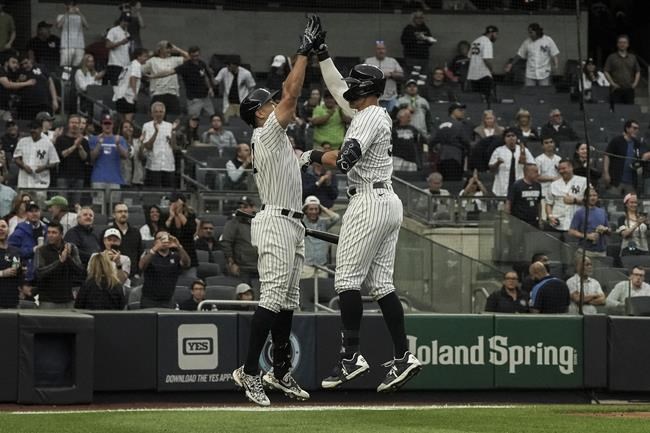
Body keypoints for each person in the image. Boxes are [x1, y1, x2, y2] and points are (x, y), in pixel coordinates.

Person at [299, 24, 422, 394]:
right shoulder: (372, 113)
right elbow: (339, 88)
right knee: (382, 285)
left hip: (368, 200)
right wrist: (322, 52)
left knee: (347, 282)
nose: (348, 88)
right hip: (389, 201)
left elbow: (346, 158)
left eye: (356, 84)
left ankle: (352, 357)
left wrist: (312, 154)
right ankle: (403, 356)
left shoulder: (368, 118)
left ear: (365, 90)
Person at [232, 17, 320, 407]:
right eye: (266, 103)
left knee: (287, 303)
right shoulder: (265, 132)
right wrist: (304, 52)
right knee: (271, 299)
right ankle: (249, 371)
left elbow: (313, 158)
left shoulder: (279, 142)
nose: (274, 105)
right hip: (274, 222)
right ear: (258, 112)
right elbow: (292, 94)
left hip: (292, 223)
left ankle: (280, 372)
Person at [34, 222, 83, 309]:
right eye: (48, 232)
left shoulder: (71, 248)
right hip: (48, 300)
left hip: (67, 299)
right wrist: (60, 262)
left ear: (61, 235)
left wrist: (68, 258)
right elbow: (39, 273)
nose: (50, 235)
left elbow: (80, 270)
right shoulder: (41, 250)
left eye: (54, 232)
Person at [139, 228, 190, 308]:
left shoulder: (175, 256)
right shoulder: (149, 254)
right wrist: (155, 249)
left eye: (166, 238)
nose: (164, 240)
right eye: (160, 238)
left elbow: (186, 264)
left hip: (168, 300)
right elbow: (142, 266)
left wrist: (179, 246)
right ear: (155, 241)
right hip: (149, 300)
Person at [142, 41, 189, 115]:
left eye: (169, 48)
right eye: (166, 48)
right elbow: (141, 69)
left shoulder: (174, 59)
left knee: (174, 117)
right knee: (157, 116)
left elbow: (189, 58)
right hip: (158, 93)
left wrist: (176, 49)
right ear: (160, 49)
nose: (169, 50)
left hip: (172, 92)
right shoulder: (152, 61)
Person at [603, 120, 650, 195]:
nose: (636, 131)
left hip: (631, 181)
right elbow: (607, 156)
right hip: (616, 180)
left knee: (631, 203)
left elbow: (641, 159)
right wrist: (606, 173)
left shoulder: (637, 143)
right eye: (634, 128)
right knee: (613, 202)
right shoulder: (617, 140)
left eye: (637, 129)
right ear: (627, 128)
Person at [88, 113, 130, 193]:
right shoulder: (94, 139)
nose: (107, 126)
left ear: (113, 125)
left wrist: (118, 145)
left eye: (109, 123)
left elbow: (125, 156)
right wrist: (99, 144)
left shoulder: (120, 139)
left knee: (114, 205)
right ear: (101, 125)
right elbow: (91, 158)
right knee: (98, 205)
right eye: (105, 123)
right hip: (98, 178)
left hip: (115, 179)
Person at [141, 102, 179, 188]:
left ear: (164, 113)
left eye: (161, 112)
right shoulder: (147, 126)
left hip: (168, 165)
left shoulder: (169, 126)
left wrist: (173, 132)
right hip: (153, 166)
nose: (158, 114)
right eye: (156, 112)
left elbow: (173, 147)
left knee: (168, 195)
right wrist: (156, 131)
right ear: (152, 113)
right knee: (154, 195)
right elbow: (147, 146)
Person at [301, 196, 340, 279]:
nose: (314, 212)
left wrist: (322, 207)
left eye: (316, 209)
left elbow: (336, 217)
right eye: (310, 209)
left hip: (322, 267)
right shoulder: (302, 223)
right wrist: (304, 206)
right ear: (306, 210)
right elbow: (296, 216)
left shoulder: (324, 222)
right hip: (307, 266)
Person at [13, 120, 59, 190]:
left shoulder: (48, 143)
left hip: (41, 182)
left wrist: (44, 167)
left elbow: (55, 162)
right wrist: (24, 166)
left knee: (40, 200)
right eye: (31, 128)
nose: (32, 130)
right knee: (24, 200)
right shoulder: (22, 141)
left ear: (41, 129)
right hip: (24, 181)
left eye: (35, 128)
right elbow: (16, 158)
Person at [488, 127, 534, 197]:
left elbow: (533, 167)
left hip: (520, 186)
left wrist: (525, 163)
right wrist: (497, 163)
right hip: (502, 187)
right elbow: (491, 168)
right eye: (508, 136)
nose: (511, 138)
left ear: (516, 138)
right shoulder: (498, 151)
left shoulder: (524, 150)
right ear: (504, 139)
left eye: (513, 136)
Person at [545, 159, 587, 234]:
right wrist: (550, 216)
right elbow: (549, 203)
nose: (561, 171)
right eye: (559, 169)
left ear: (571, 167)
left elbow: (591, 200)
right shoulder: (554, 184)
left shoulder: (583, 181)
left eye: (564, 168)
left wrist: (575, 200)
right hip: (558, 224)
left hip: (576, 224)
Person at [54, 114, 88, 204]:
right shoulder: (61, 139)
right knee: (62, 204)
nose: (74, 125)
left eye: (77, 123)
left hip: (78, 177)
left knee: (76, 205)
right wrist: (74, 146)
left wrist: (80, 147)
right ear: (68, 124)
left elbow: (85, 158)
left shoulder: (84, 141)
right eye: (72, 122)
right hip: (63, 176)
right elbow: (61, 155)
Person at [432, 102, 471, 181]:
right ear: (453, 112)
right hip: (455, 158)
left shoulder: (440, 124)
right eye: (460, 110)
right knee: (454, 185)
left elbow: (432, 140)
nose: (463, 112)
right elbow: (466, 141)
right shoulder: (459, 125)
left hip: (441, 158)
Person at [568, 188, 610, 258]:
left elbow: (609, 231)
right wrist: (587, 236)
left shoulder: (602, 212)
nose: (593, 198)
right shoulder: (580, 213)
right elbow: (571, 231)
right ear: (585, 197)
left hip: (601, 252)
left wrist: (605, 230)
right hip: (585, 251)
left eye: (594, 195)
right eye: (590, 196)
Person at [164, 192, 198, 278]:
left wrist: (179, 214)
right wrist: (171, 216)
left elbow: (191, 230)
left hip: (188, 254)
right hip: (170, 256)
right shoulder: (165, 216)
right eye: (172, 202)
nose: (174, 205)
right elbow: (163, 232)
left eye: (176, 202)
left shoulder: (190, 215)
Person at [364, 40, 404, 112]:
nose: (381, 51)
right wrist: (378, 75)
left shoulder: (392, 61)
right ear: (375, 50)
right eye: (378, 49)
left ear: (385, 50)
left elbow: (401, 75)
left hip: (391, 97)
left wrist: (391, 74)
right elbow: (362, 76)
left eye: (383, 49)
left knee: (391, 119)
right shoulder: (368, 61)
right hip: (373, 98)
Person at [214, 55, 256, 122]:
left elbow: (251, 87)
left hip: (241, 103)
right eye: (226, 65)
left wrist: (249, 102)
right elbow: (216, 81)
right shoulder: (224, 71)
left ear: (235, 65)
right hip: (229, 103)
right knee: (226, 121)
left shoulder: (246, 73)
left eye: (229, 65)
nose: (227, 67)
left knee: (243, 122)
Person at [176, 46, 215, 118]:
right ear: (190, 55)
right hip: (193, 98)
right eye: (193, 56)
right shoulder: (185, 66)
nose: (195, 58)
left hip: (205, 96)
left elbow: (205, 77)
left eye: (197, 56)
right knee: (193, 119)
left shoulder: (201, 63)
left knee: (213, 116)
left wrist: (210, 88)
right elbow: (172, 71)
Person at [113, 48, 149, 123]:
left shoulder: (129, 65)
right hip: (128, 96)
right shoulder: (136, 65)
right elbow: (132, 78)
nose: (146, 58)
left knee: (122, 122)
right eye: (145, 56)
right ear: (138, 57)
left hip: (119, 95)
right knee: (128, 122)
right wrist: (134, 94)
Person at [107, 202, 142, 277]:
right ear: (114, 214)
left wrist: (138, 273)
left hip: (133, 275)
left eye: (125, 211)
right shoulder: (107, 232)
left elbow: (140, 253)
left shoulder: (136, 232)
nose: (123, 214)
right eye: (120, 211)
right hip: (113, 274)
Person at [604, 35, 640, 106]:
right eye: (620, 42)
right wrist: (612, 83)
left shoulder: (633, 57)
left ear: (628, 45)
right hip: (616, 89)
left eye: (624, 42)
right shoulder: (611, 57)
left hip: (629, 89)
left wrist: (635, 83)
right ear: (617, 44)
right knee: (617, 112)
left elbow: (638, 71)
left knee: (629, 111)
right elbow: (606, 71)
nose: (622, 44)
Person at [467, 25, 498, 102]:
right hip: (483, 74)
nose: (496, 37)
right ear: (492, 33)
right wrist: (492, 69)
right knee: (488, 99)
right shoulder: (487, 42)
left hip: (473, 74)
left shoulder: (475, 41)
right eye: (496, 34)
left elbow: (469, 57)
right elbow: (486, 59)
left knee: (476, 100)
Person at [399, 10, 436, 75]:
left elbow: (431, 42)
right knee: (413, 78)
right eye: (417, 18)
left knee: (422, 78)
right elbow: (403, 41)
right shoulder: (408, 28)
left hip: (424, 58)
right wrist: (416, 38)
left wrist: (426, 38)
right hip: (412, 58)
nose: (419, 20)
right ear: (413, 18)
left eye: (421, 18)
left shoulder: (425, 28)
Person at [506, 163, 542, 228]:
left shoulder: (538, 185)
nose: (538, 174)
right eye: (535, 172)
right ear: (528, 172)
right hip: (519, 221)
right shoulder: (517, 185)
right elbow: (509, 203)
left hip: (533, 221)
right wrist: (508, 220)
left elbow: (539, 203)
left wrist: (540, 219)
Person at [56, 0, 87, 67]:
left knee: (77, 67)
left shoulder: (80, 17)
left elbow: (86, 26)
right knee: (64, 66)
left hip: (79, 46)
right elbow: (58, 26)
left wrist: (79, 12)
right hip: (66, 46)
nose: (71, 7)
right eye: (69, 5)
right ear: (66, 6)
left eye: (73, 5)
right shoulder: (61, 16)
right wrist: (67, 13)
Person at [105, 13, 131, 86]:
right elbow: (107, 45)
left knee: (124, 85)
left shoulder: (127, 33)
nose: (126, 23)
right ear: (120, 21)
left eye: (128, 21)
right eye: (124, 21)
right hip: (115, 63)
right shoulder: (113, 30)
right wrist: (120, 42)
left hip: (125, 64)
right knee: (115, 86)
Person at [0, 219, 21, 309]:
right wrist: (2, 273)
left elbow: (17, 268)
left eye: (3, 226)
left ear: (8, 229)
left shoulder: (15, 251)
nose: (1, 229)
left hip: (12, 301)